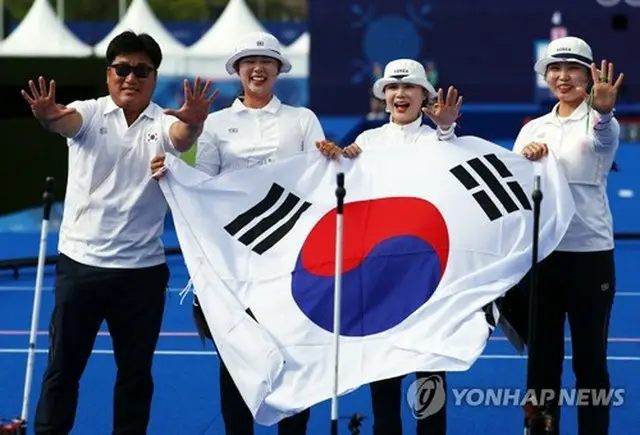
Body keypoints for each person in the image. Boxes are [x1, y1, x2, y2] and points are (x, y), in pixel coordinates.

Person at [20, 30, 217, 435]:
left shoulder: (166, 122)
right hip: (82, 266)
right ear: (109, 74)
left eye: (141, 70)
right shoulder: (89, 113)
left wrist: (194, 125)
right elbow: (62, 121)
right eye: (122, 68)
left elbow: (181, 138)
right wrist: (45, 115)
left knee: (135, 375)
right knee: (63, 369)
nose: (131, 77)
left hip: (141, 272)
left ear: (153, 77)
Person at [151, 31, 327, 435]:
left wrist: (340, 158)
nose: (258, 68)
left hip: (290, 263)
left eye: (266, 62)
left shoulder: (302, 120)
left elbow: (319, 177)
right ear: (238, 70)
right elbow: (204, 185)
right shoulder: (215, 123)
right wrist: (174, 173)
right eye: (249, 61)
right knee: (236, 358)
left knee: (292, 359)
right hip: (233, 264)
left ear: (279, 70)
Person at [317, 58, 462, 435]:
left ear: (423, 96)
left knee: (430, 372)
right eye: (393, 89)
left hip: (430, 274)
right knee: (384, 373)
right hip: (380, 274)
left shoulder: (438, 139)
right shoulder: (367, 142)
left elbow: (454, 163)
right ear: (383, 97)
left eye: (409, 88)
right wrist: (338, 162)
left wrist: (445, 128)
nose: (400, 95)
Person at [512, 36, 624, 435]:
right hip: (541, 259)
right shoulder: (532, 130)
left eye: (573, 69)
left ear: (589, 76)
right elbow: (516, 193)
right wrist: (524, 165)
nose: (563, 77)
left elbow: (605, 141)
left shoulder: (598, 123)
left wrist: (606, 113)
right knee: (541, 363)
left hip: (590, 257)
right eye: (555, 70)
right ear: (546, 76)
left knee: (590, 362)